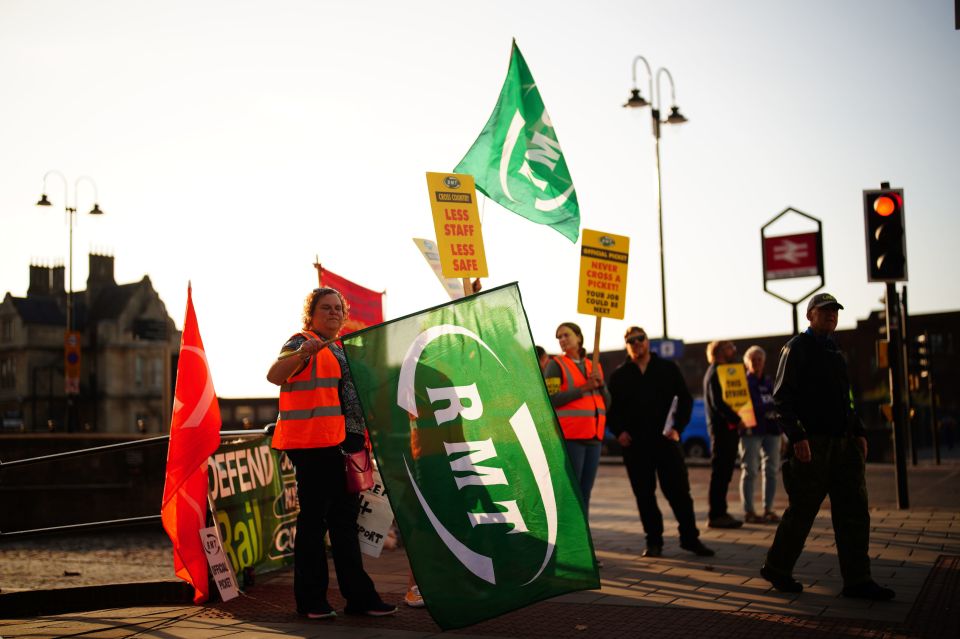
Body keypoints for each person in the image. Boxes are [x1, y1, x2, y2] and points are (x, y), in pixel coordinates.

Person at [267, 287, 397, 619]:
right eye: (326, 308)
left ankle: (360, 598)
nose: (334, 313)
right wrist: (303, 354)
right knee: (314, 523)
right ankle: (311, 602)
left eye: (338, 308)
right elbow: (274, 375)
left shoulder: (341, 348)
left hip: (345, 445)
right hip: (314, 447)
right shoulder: (300, 340)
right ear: (311, 314)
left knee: (343, 524)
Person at [761, 293, 895, 601]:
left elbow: (846, 398)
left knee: (854, 511)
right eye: (824, 311)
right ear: (810, 315)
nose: (831, 316)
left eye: (835, 312)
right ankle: (777, 567)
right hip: (813, 444)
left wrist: (858, 431)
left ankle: (858, 580)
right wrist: (798, 437)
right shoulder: (796, 349)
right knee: (803, 511)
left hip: (844, 443)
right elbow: (782, 399)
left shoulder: (836, 352)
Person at [607, 326, 714, 558]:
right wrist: (618, 432)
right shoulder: (619, 375)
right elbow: (611, 410)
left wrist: (678, 428)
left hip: (666, 442)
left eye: (640, 339)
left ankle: (690, 538)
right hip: (634, 446)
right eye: (631, 340)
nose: (636, 343)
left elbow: (685, 400)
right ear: (626, 345)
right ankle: (654, 541)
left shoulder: (667, 368)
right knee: (644, 495)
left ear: (647, 341)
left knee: (679, 493)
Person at [544, 322, 608, 518]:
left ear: (579, 338)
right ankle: (570, 538)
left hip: (594, 438)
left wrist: (601, 385)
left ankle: (583, 537)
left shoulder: (594, 365)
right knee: (572, 493)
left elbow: (607, 402)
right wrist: (584, 389)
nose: (562, 340)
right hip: (571, 437)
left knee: (585, 492)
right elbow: (551, 399)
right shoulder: (556, 365)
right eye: (559, 337)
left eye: (566, 335)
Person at [703, 340, 745, 529]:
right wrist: (737, 419)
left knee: (725, 473)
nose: (733, 350)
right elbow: (718, 403)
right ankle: (716, 515)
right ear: (720, 351)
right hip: (721, 431)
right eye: (730, 347)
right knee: (720, 473)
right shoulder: (715, 372)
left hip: (727, 430)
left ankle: (721, 511)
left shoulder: (722, 370)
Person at [739, 345, 782, 524]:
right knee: (749, 470)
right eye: (753, 359)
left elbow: (779, 404)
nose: (756, 363)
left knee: (771, 470)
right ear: (747, 363)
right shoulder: (742, 383)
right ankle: (749, 511)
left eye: (759, 360)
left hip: (772, 430)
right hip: (751, 431)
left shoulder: (770, 382)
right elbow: (743, 407)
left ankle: (768, 509)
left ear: (764, 362)